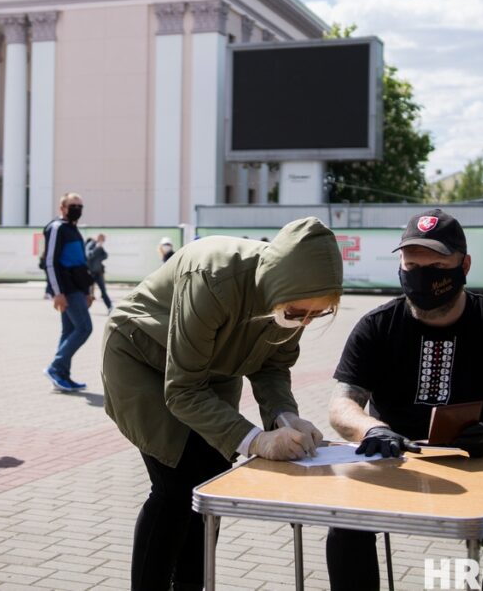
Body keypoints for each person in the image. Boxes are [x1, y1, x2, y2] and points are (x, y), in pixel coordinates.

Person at [102, 217, 342, 591]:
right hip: (143, 360)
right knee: (176, 483)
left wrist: (285, 417)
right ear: (278, 284)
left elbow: (273, 366)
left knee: (209, 480)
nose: (304, 323)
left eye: (318, 314)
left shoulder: (291, 299)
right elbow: (182, 389)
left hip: (210, 369)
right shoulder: (211, 279)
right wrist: (256, 441)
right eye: (297, 313)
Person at [328, 209, 483, 591]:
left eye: (437, 265)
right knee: (345, 525)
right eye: (412, 264)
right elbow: (341, 405)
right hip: (393, 460)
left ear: (464, 266)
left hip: (480, 460)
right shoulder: (377, 326)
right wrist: (373, 428)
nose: (422, 277)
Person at [41, 192, 95, 392]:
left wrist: (88, 290)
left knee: (70, 330)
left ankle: (62, 375)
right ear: (62, 208)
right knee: (84, 328)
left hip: (78, 288)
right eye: (73, 205)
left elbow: (82, 262)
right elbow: (50, 262)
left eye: (80, 206)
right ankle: (55, 368)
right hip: (66, 289)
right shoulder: (56, 228)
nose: (77, 210)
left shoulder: (73, 229)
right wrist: (57, 292)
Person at [86, 233, 113, 313]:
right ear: (98, 238)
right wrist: (97, 248)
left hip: (98, 272)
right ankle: (84, 308)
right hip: (90, 273)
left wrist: (100, 257)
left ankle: (110, 307)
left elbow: (105, 256)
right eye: (102, 239)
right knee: (87, 293)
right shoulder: (91, 244)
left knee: (103, 291)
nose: (103, 241)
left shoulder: (100, 246)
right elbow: (88, 255)